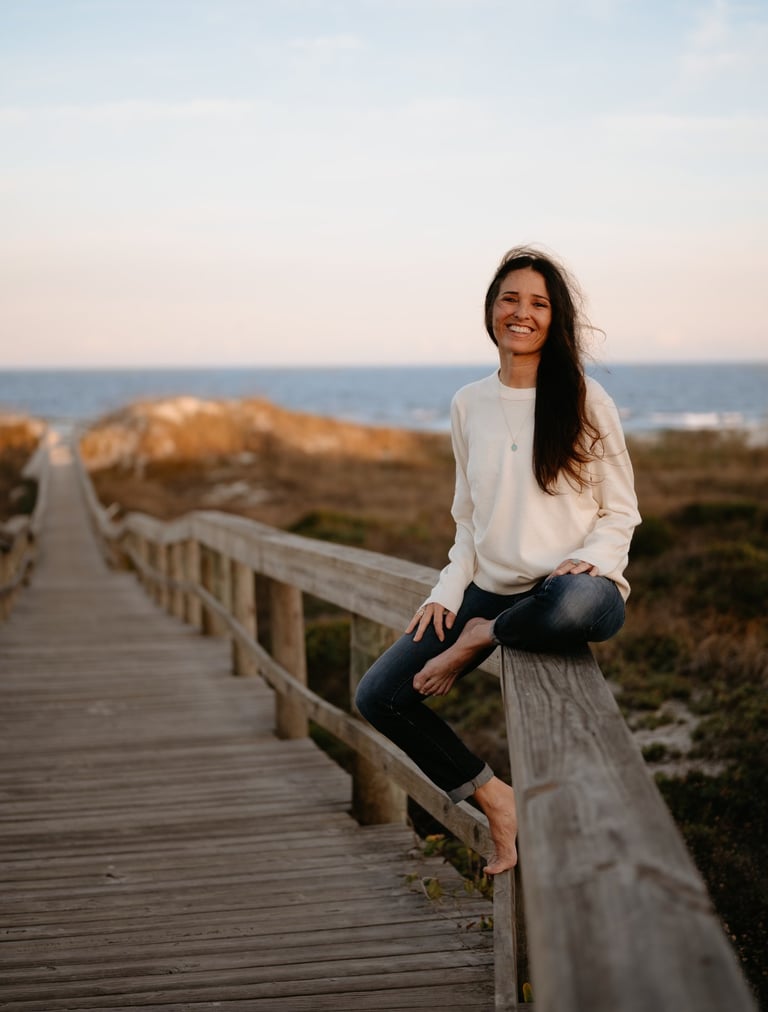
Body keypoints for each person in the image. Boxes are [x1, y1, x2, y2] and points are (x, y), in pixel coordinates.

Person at [355, 245, 641, 875]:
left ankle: (486, 638)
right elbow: (468, 522)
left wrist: (589, 562)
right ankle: (495, 797)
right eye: (510, 298)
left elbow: (621, 514)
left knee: (567, 605)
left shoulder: (587, 400)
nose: (521, 312)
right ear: (491, 309)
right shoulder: (468, 404)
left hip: (576, 589)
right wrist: (447, 595)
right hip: (492, 590)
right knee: (379, 695)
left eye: (538, 303)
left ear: (554, 318)